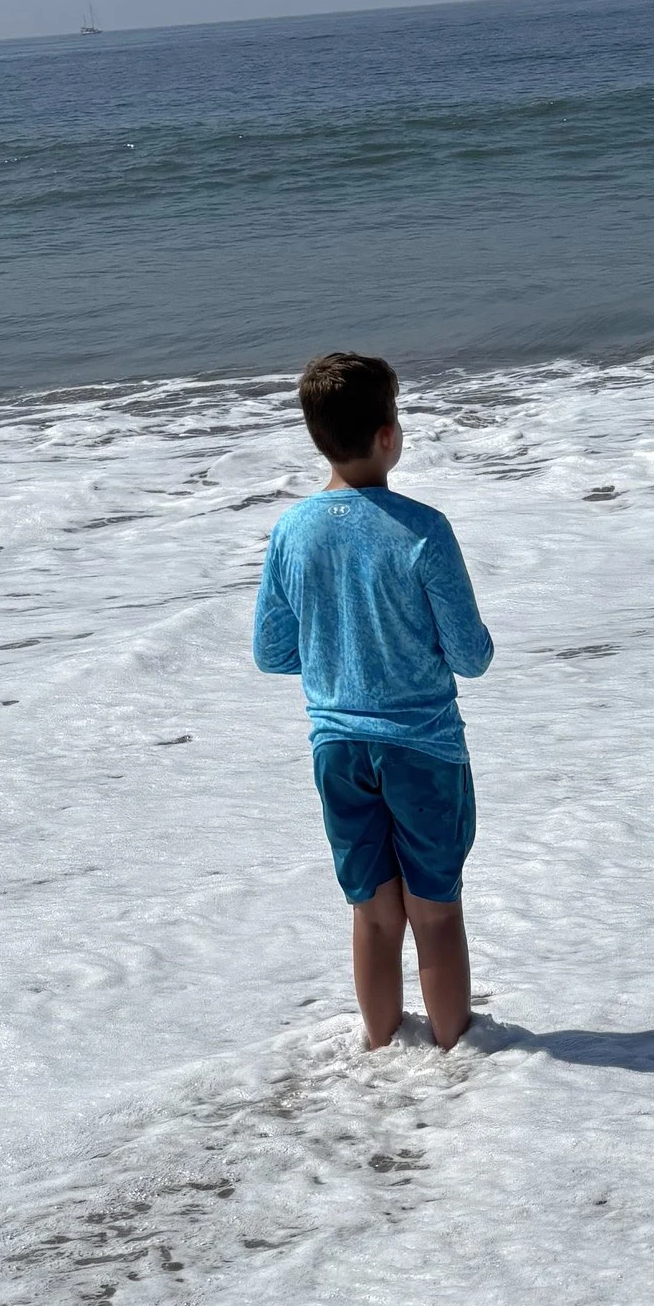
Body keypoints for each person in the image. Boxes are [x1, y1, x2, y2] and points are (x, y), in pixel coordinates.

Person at [253, 352, 493, 1049]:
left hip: (337, 746)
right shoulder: (423, 529)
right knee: (436, 913)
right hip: (421, 745)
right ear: (388, 434)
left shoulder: (293, 531)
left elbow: (271, 651)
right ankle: (458, 1054)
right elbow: (471, 657)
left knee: (375, 912)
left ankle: (382, 1051)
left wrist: (340, 655)